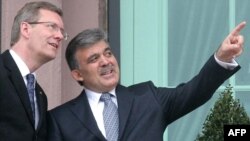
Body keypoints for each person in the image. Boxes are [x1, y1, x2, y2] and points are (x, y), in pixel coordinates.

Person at [47, 21, 246, 141]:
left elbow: (195, 91)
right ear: (78, 74)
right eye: (94, 59)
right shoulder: (60, 120)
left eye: (108, 53)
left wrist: (221, 57)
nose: (105, 61)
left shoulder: (148, 98)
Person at [0, 1, 67, 141]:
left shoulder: (40, 94)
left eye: (61, 31)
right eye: (52, 27)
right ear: (25, 29)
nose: (59, 36)